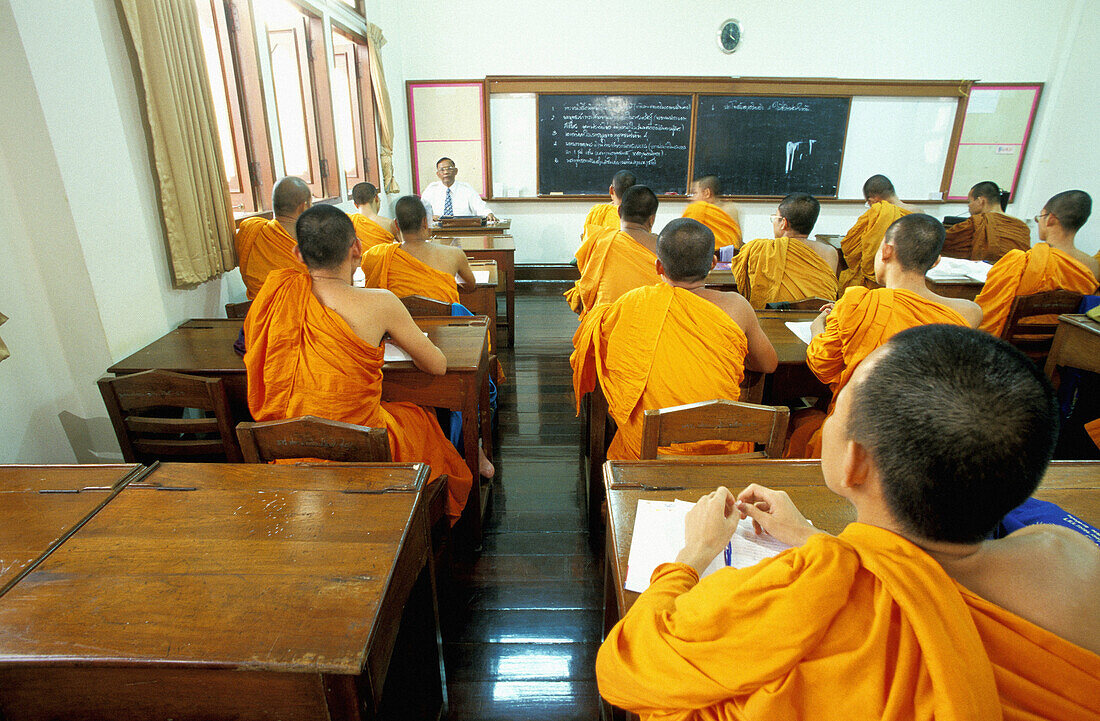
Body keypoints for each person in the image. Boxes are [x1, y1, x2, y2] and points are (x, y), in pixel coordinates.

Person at [596, 324, 1100, 720]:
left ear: (853, 461)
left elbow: (627, 666)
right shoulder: (1070, 556)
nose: (830, 420)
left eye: (837, 409)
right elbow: (917, 571)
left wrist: (693, 554)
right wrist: (807, 533)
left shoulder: (805, 588)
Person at [242, 205, 473, 525]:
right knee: (422, 416)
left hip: (286, 446)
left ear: (296, 254)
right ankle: (417, 518)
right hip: (361, 445)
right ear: (357, 248)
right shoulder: (380, 303)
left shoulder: (276, 293)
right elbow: (437, 366)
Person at [571, 218, 777, 460]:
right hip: (721, 454)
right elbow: (768, 364)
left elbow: (605, 348)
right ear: (712, 263)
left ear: (658, 266)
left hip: (650, 451)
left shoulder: (633, 303)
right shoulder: (736, 306)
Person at [786, 214, 981, 458]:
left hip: (860, 436)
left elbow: (823, 366)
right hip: (922, 438)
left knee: (801, 424)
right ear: (935, 261)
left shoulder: (859, 303)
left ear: (886, 251)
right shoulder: (969, 313)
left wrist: (818, 327)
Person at [976, 190, 1099, 336]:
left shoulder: (1021, 260)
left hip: (1005, 348)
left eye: (1039, 217)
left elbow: (988, 311)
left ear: (1050, 219)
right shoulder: (1094, 267)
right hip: (1055, 348)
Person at [564, 186, 662, 318]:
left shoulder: (599, 241)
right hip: (648, 324)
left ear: (619, 211)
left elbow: (585, 288)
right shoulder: (663, 247)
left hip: (607, 325)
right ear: (652, 219)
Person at [731, 192, 839, 309]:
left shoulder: (759, 249)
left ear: (784, 223)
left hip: (772, 320)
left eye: (775, 218)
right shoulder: (829, 252)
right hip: (817, 319)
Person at [361, 195, 476, 305]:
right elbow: (470, 286)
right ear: (425, 222)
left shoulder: (377, 255)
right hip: (441, 324)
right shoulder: (454, 254)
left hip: (396, 324)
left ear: (396, 224)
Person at [235, 176, 311, 299]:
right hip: (300, 310)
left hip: (259, 312)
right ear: (303, 206)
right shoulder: (310, 238)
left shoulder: (250, 229)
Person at [839, 174, 915, 290]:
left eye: (868, 203)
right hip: (908, 280)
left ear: (872, 200)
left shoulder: (877, 213)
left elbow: (849, 247)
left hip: (876, 281)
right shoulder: (918, 213)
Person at [941, 181, 1031, 263]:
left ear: (980, 201)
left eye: (970, 201)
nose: (969, 206)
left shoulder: (974, 224)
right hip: (1011, 277)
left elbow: (943, 242)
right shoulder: (1022, 227)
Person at [420, 157, 497, 221]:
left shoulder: (466, 189)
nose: (446, 172)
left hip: (463, 231)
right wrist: (430, 217)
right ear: (438, 174)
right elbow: (421, 212)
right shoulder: (431, 189)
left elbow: (480, 207)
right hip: (438, 232)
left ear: (456, 171)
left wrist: (488, 214)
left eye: (449, 168)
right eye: (442, 170)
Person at [682, 175, 742, 250]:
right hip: (730, 258)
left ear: (707, 193)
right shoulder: (731, 209)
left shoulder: (697, 208)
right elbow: (739, 241)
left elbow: (683, 239)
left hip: (705, 258)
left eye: (695, 193)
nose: (692, 198)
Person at [348, 181, 397, 249]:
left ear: (355, 204)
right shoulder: (390, 224)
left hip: (359, 259)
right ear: (376, 198)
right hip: (383, 259)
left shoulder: (349, 222)